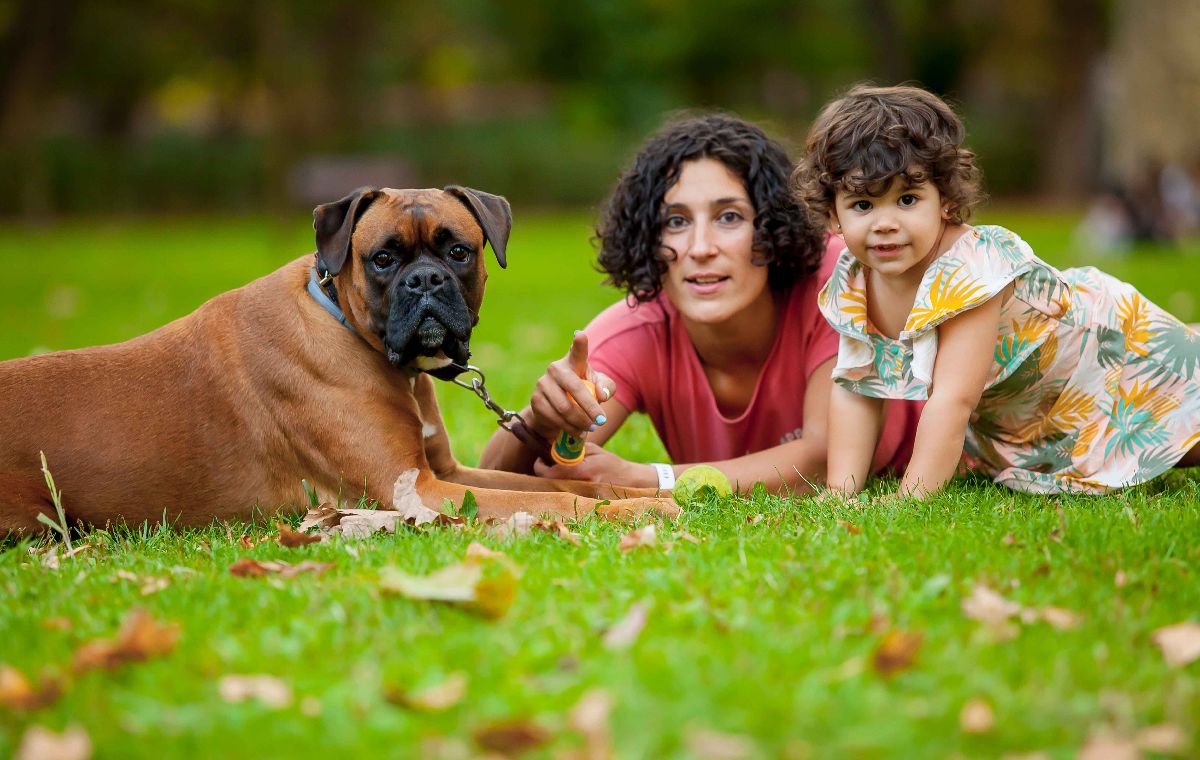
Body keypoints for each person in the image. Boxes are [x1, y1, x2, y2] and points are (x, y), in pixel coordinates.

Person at [793, 84, 1200, 499]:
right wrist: (841, 490)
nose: (885, 223)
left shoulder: (971, 266)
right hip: (1038, 409)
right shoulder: (854, 280)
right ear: (833, 215)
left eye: (908, 199)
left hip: (1105, 353)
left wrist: (909, 500)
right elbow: (857, 387)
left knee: (1186, 436)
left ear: (945, 201)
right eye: (863, 205)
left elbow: (953, 399)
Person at [480, 113, 920, 494]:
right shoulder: (637, 331)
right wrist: (541, 421)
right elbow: (489, 481)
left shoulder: (837, 282)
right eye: (676, 222)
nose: (700, 247)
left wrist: (651, 478)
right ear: (649, 241)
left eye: (729, 217)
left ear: (771, 228)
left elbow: (828, 458)